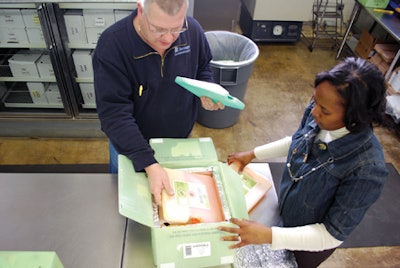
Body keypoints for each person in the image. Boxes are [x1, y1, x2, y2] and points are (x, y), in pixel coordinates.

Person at [218, 57, 389, 268]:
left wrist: (269, 235)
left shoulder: (367, 169)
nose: (314, 111)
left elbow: (330, 235)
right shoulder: (318, 113)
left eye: (325, 110)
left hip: (310, 243)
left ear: (356, 116)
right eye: (315, 100)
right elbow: (298, 139)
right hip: (289, 211)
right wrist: (253, 154)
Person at [93, 0, 223, 205]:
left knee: (171, 203)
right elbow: (114, 114)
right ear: (140, 10)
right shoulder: (113, 45)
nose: (169, 38)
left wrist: (206, 88)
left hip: (178, 140)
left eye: (176, 28)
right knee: (128, 203)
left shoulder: (193, 30)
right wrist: (148, 162)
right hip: (131, 145)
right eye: (158, 29)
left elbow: (203, 65)